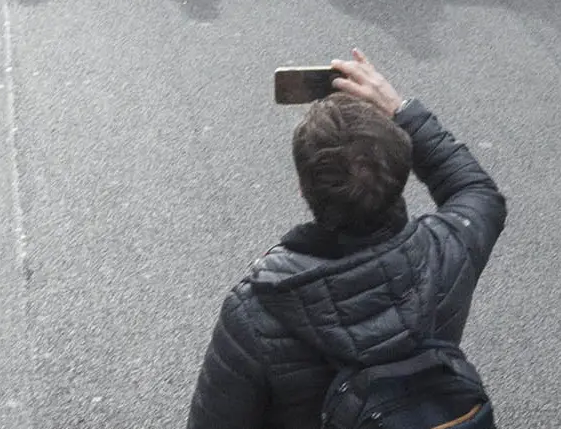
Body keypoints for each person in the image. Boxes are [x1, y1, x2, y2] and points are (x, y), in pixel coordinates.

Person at [186, 50, 505, 429]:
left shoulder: (256, 311)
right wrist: (398, 107)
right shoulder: (447, 252)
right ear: (401, 175)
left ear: (304, 189)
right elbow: (477, 190)